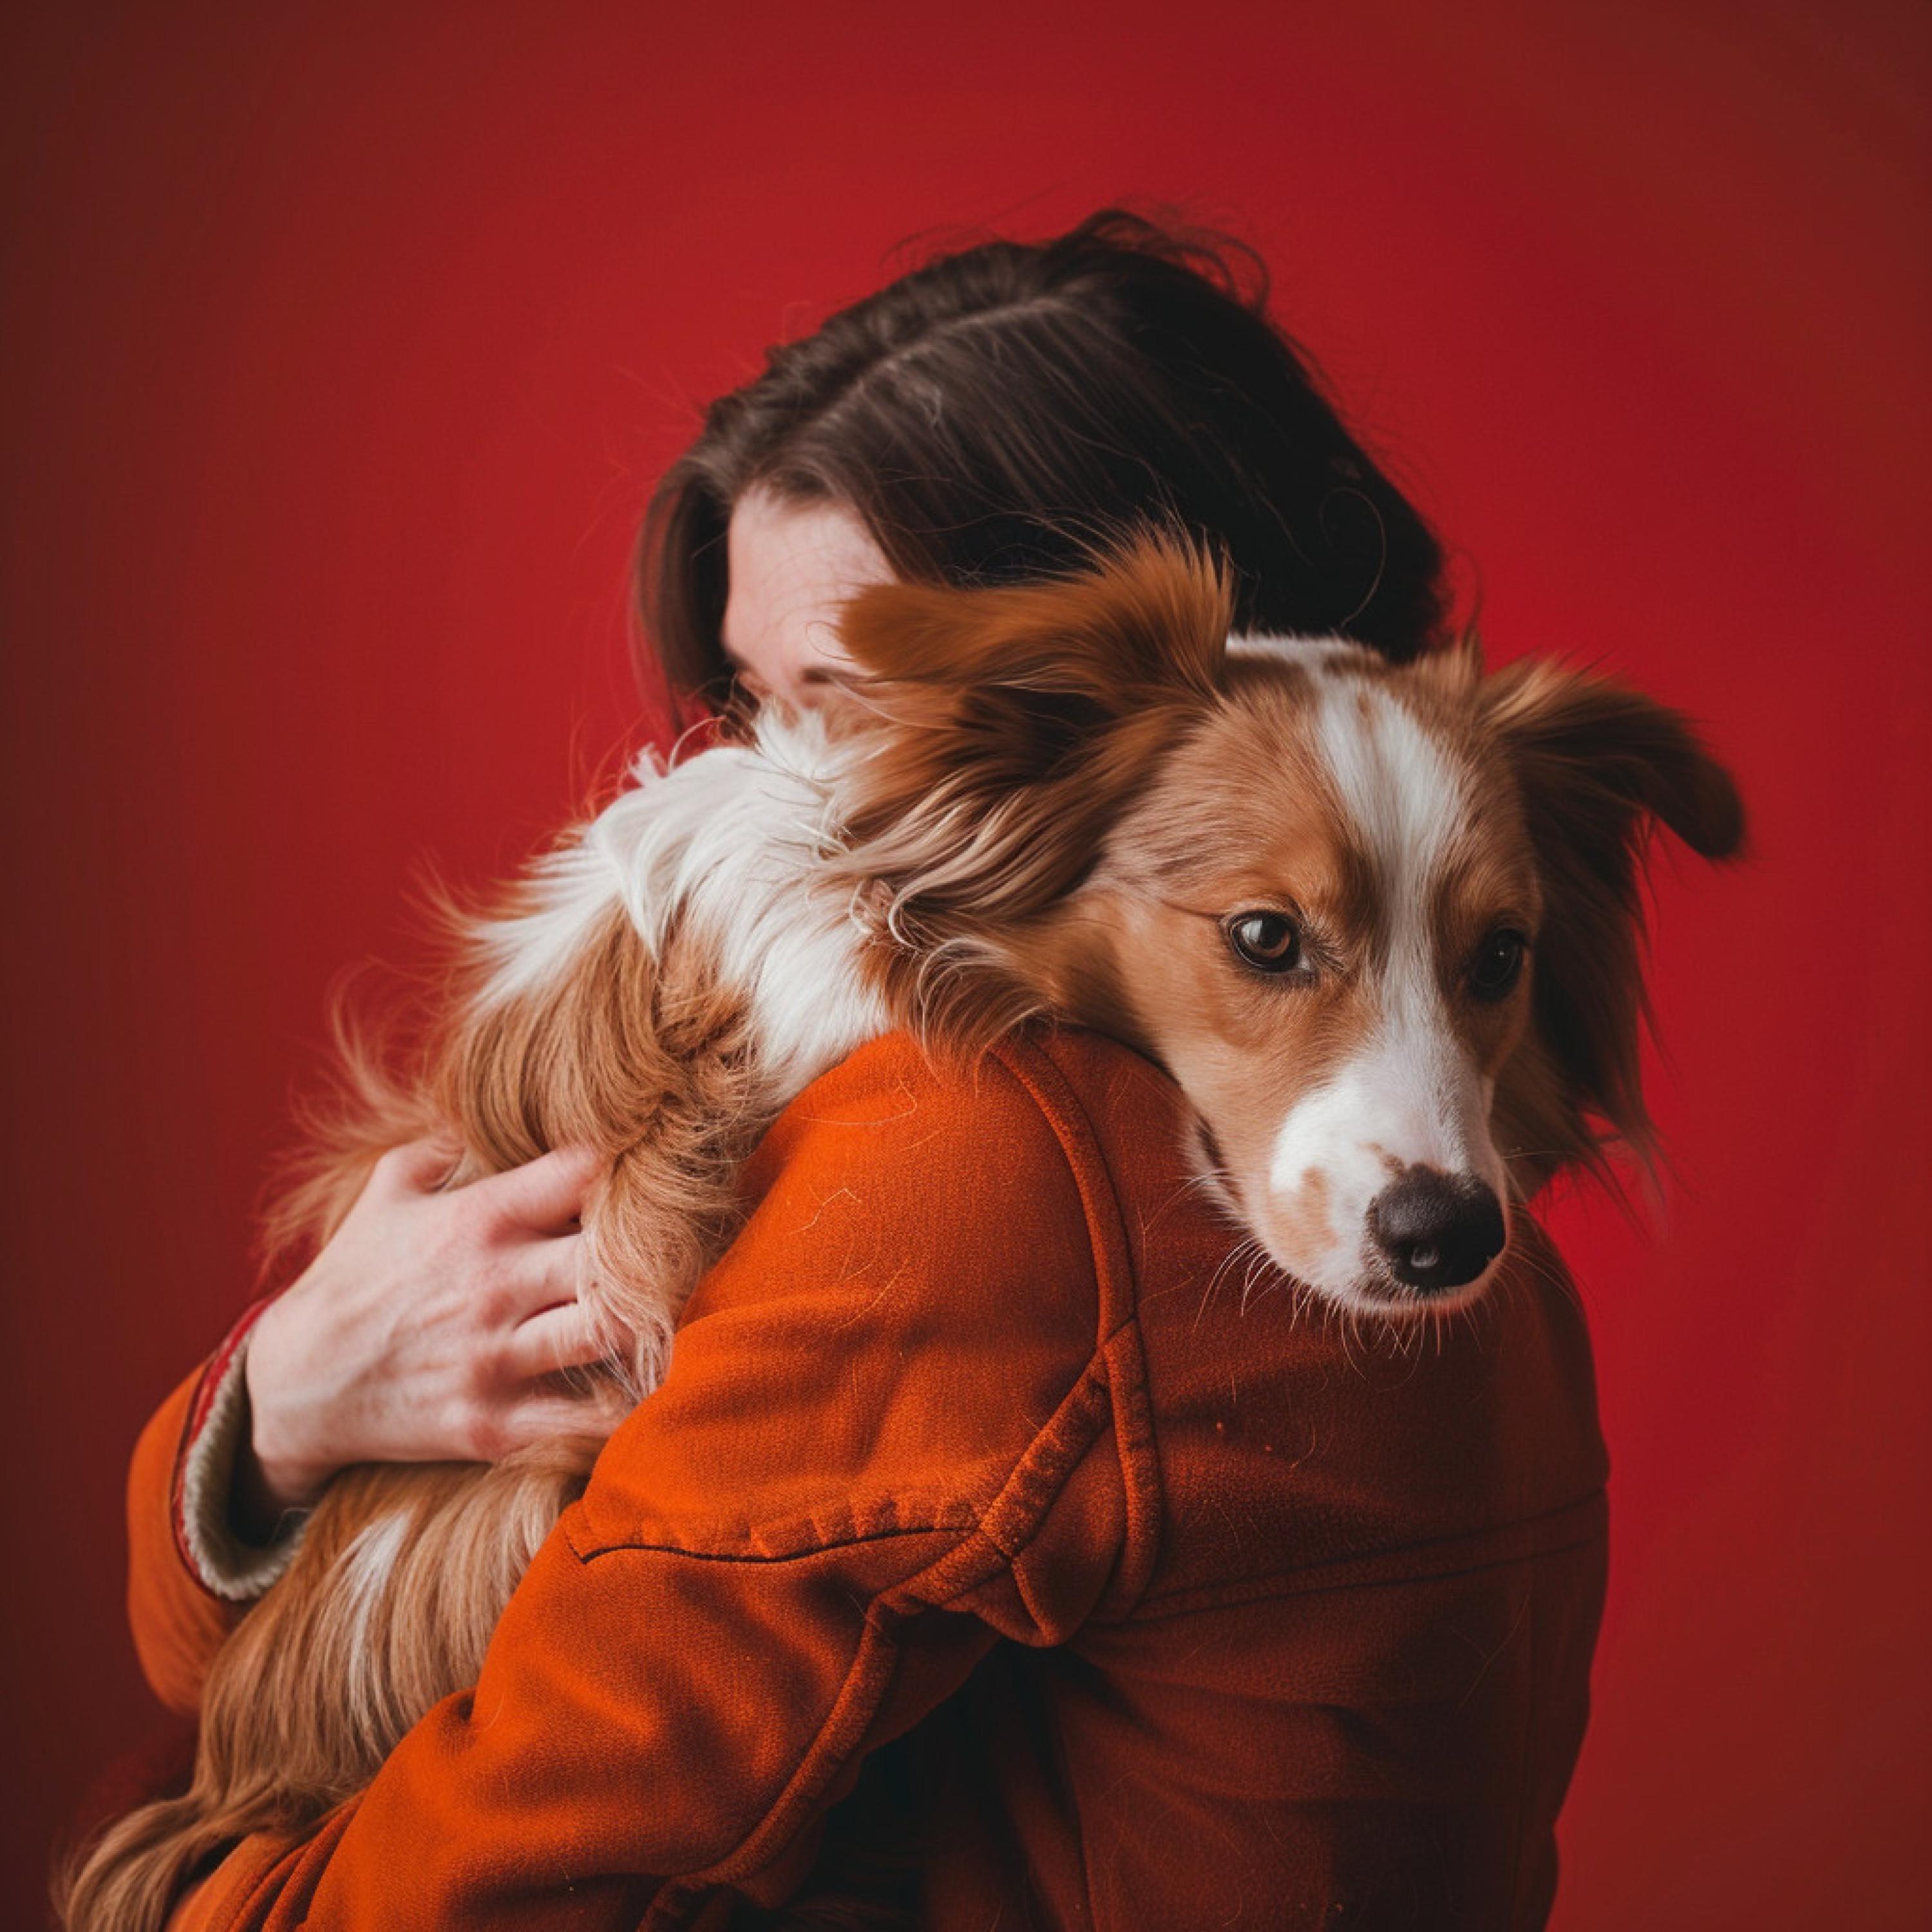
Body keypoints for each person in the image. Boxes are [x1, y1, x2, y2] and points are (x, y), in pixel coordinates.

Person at [113, 212, 1607, 1930]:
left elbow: (523, 1854)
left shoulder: (997, 1160)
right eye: (753, 703)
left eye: (853, 703)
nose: (768, 789)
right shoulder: (1402, 1129)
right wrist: (285, 1410)